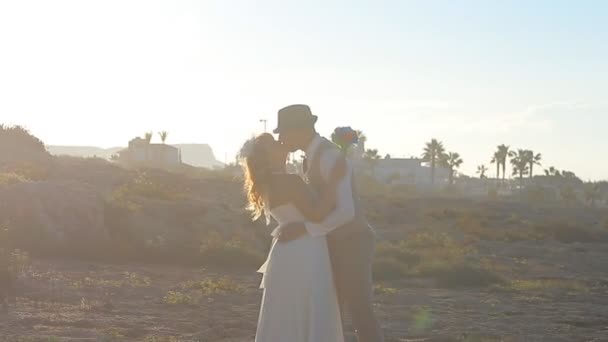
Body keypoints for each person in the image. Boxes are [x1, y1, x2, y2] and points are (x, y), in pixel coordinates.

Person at [274, 104, 384, 342]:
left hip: (352, 241)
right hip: (330, 243)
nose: (281, 138)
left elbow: (346, 212)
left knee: (360, 311)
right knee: (333, 312)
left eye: (283, 132)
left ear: (298, 130)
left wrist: (306, 229)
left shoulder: (329, 156)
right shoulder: (310, 157)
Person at [240, 132, 346, 342]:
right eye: (273, 142)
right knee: (310, 306)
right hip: (304, 252)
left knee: (285, 314)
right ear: (267, 154)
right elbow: (318, 214)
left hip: (287, 252)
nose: (280, 142)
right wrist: (335, 181)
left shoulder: (269, 182)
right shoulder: (289, 181)